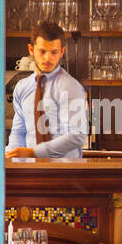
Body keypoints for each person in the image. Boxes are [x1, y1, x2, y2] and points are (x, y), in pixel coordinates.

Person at [6, 20, 87, 161]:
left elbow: (77, 136)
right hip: (29, 174)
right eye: (42, 51)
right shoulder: (22, 87)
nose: (48, 58)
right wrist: (12, 158)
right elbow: (19, 131)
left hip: (64, 174)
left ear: (62, 52)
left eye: (54, 52)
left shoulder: (70, 87)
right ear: (31, 50)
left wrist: (34, 152)